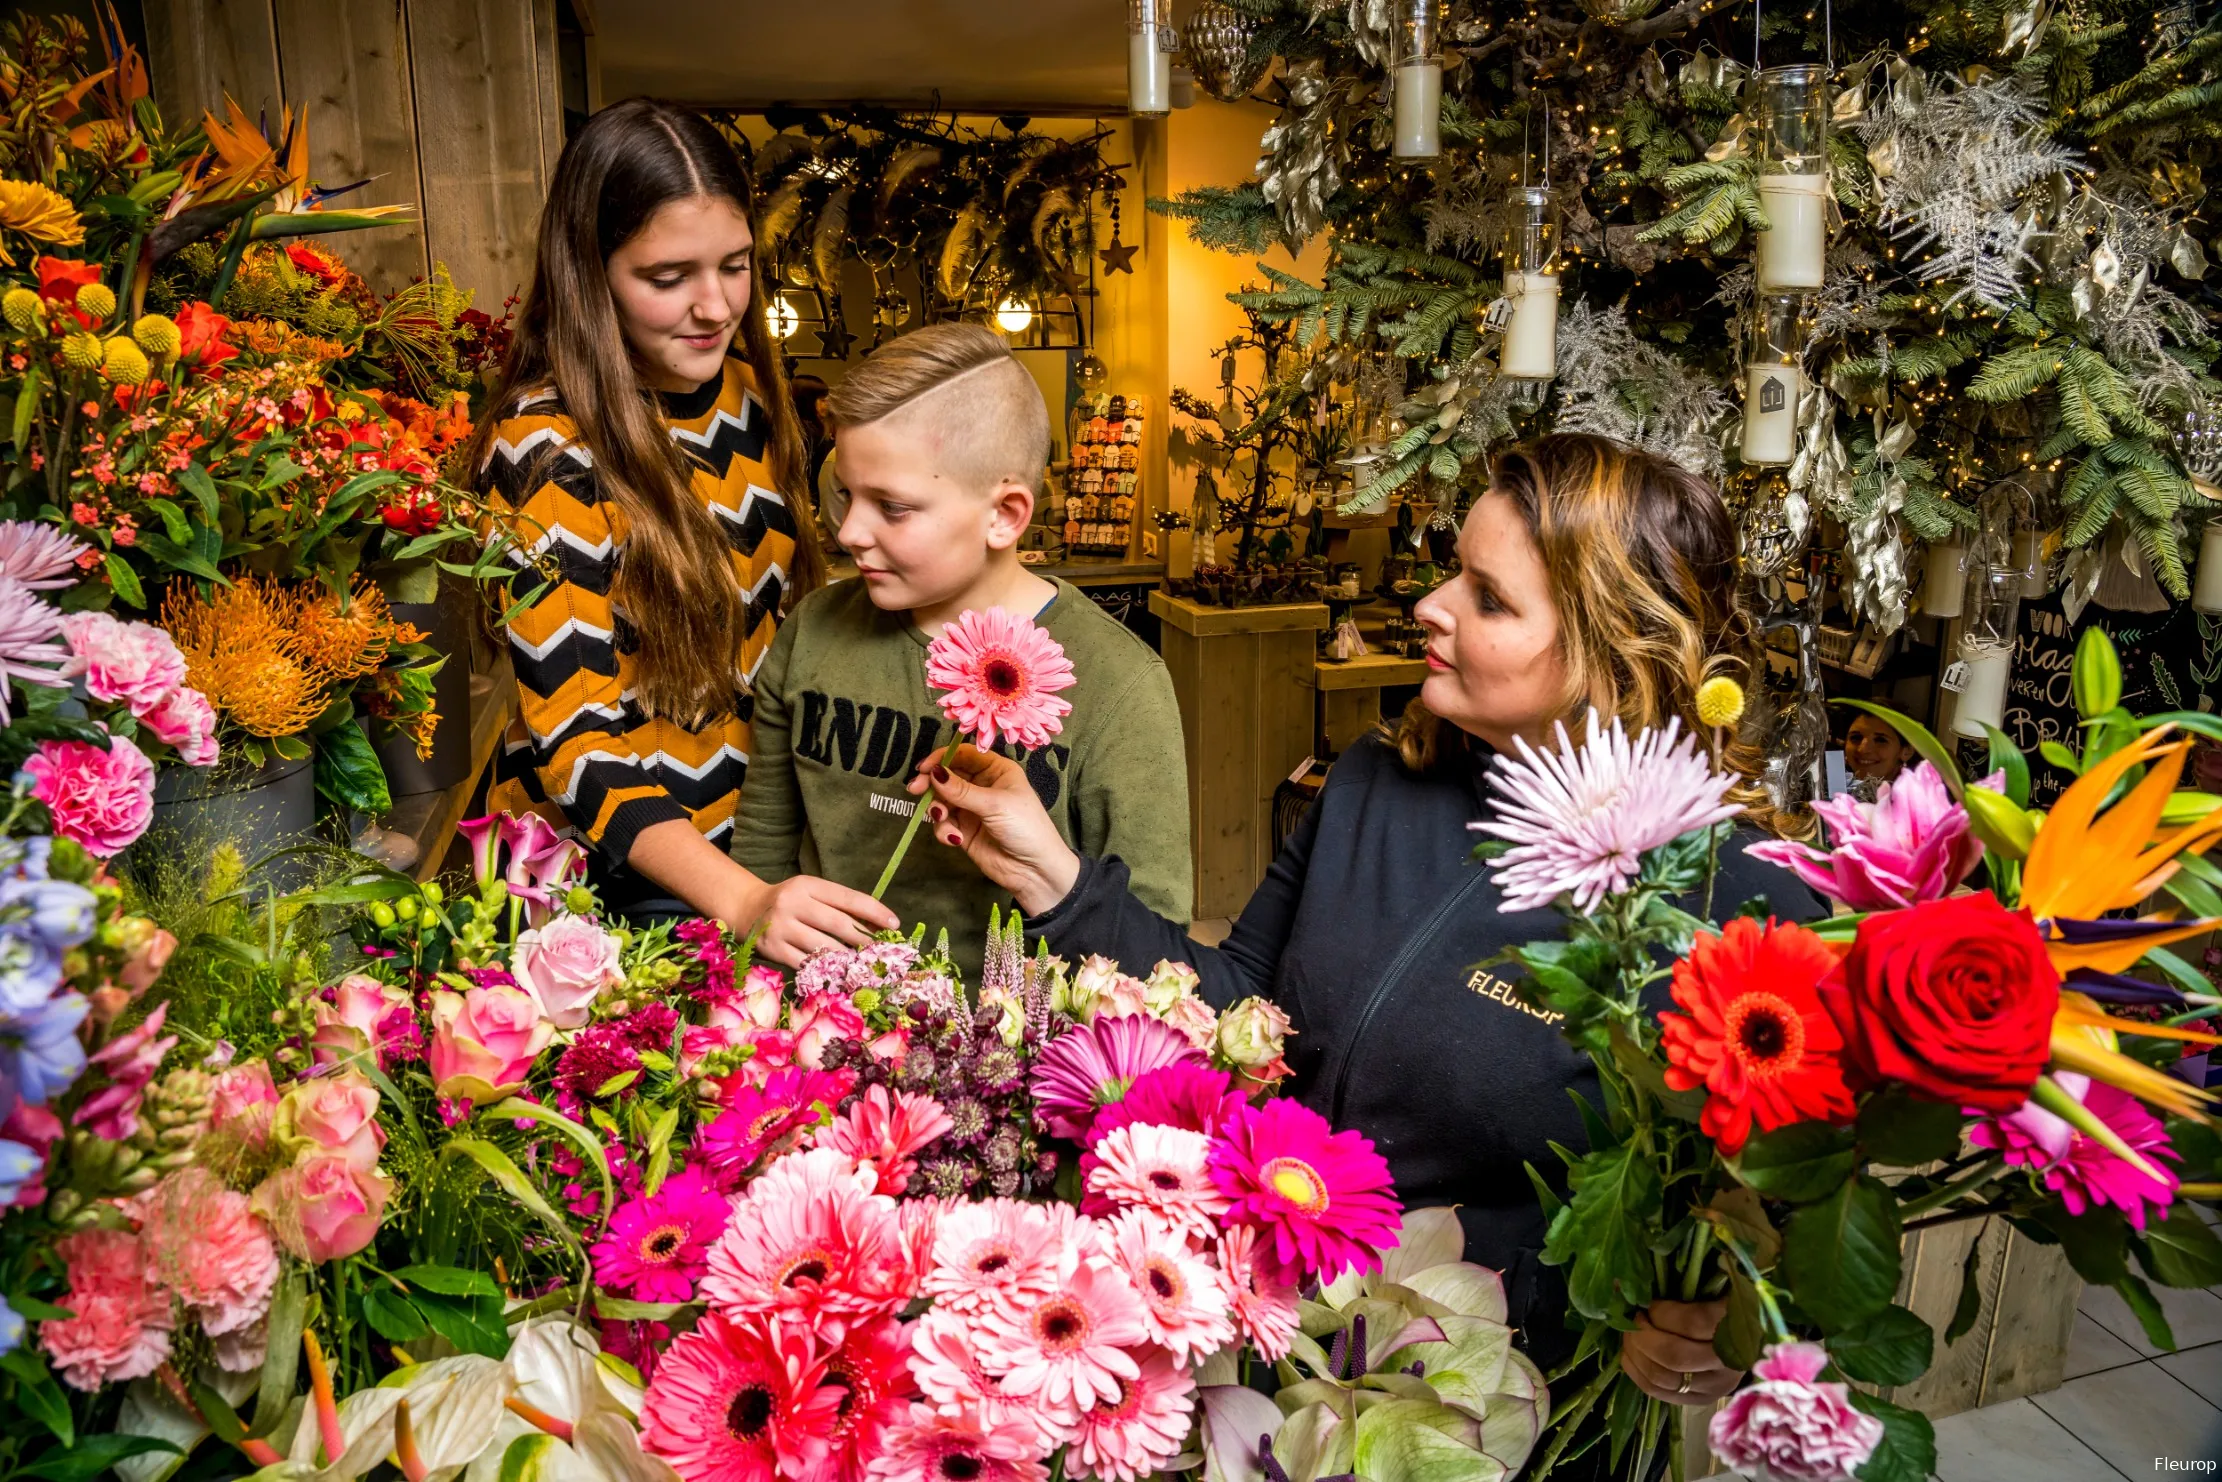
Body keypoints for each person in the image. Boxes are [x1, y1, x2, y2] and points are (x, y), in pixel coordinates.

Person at [914, 433, 1817, 1415]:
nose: (1430, 605)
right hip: (1292, 1362)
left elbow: (1781, 1210)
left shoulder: (1727, 897)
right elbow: (1240, 1015)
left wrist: (1718, 1322)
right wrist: (1053, 876)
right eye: (1451, 571)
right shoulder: (1376, 776)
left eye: (1487, 596)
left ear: (1613, 652)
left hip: (1505, 1409)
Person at [472, 97, 899, 954]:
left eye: (735, 265)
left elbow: (779, 631)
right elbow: (577, 747)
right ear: (590, 273)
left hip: (751, 855)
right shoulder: (544, 447)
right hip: (608, 891)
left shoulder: (743, 389)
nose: (715, 305)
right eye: (668, 278)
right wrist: (743, 901)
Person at [731, 323, 1192, 979]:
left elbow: (1155, 941)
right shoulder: (813, 630)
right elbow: (763, 854)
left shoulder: (1121, 683)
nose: (850, 531)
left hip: (1015, 1056)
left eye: (891, 507)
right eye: (845, 494)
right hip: (823, 1041)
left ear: (1004, 514)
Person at [1844, 709, 1917, 792]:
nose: (1863, 749)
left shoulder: (1920, 801)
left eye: (1880, 740)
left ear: (1907, 752)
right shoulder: (1833, 794)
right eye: (1856, 737)